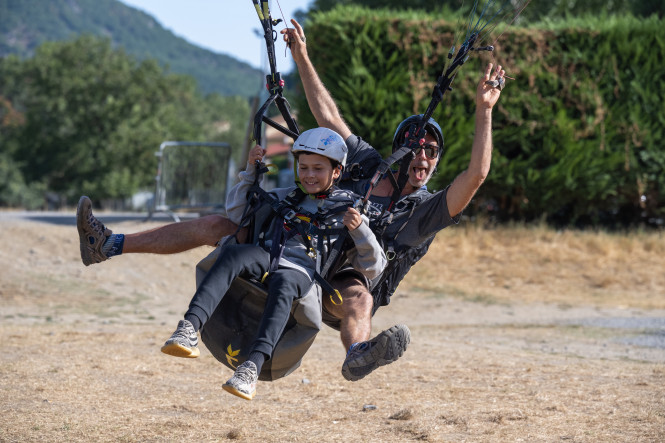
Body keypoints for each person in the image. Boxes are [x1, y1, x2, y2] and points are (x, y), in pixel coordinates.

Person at [77, 18, 505, 382]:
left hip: (341, 282)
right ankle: (107, 244)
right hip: (298, 248)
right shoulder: (367, 164)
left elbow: (476, 176)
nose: (424, 156)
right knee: (218, 226)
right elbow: (329, 120)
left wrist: (484, 112)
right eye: (417, 145)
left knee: (360, 296)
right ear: (399, 150)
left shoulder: (424, 209)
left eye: (432, 151)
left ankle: (356, 354)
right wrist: (301, 53)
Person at [160, 127, 387, 400]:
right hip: (268, 255)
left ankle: (251, 368)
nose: (309, 175)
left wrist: (361, 230)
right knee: (232, 253)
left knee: (284, 284)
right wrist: (249, 174)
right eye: (303, 168)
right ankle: (189, 327)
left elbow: (374, 267)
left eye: (318, 168)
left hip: (303, 272)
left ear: (336, 172)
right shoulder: (285, 195)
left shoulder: (352, 209)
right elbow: (236, 212)